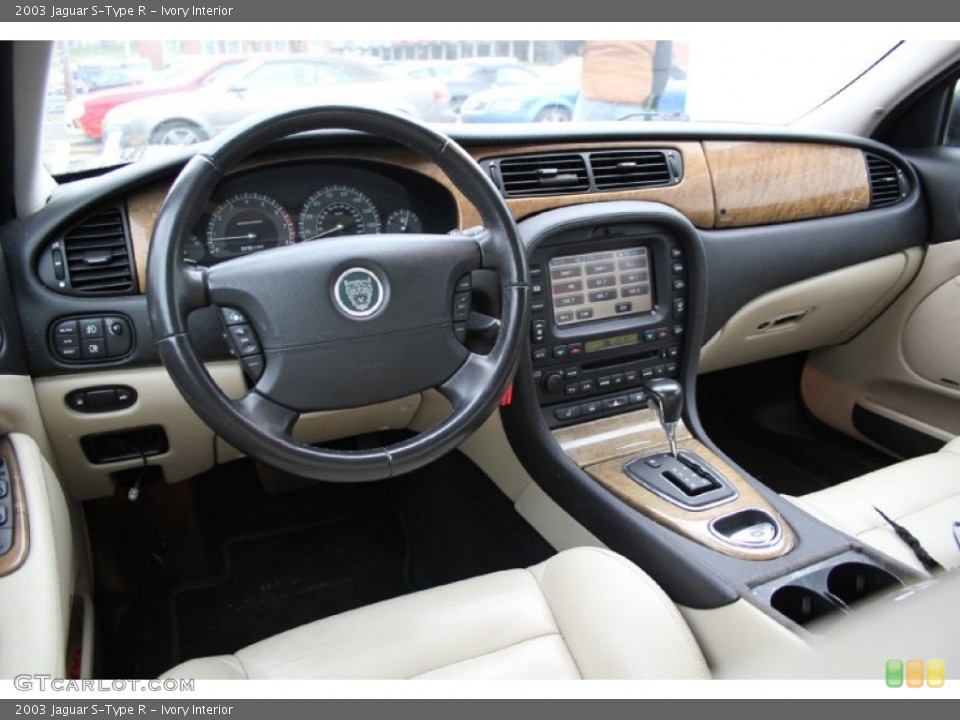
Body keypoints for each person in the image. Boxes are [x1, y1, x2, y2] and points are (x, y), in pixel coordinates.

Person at [573, 40, 668, 121]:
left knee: (582, 141)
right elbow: (662, 66)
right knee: (634, 142)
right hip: (634, 106)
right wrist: (651, 105)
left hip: (594, 100)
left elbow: (569, 46)